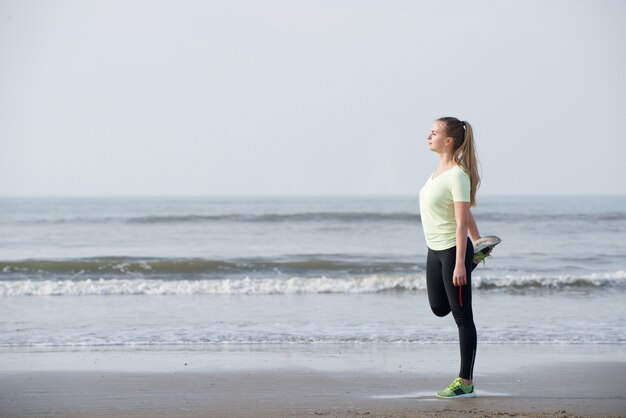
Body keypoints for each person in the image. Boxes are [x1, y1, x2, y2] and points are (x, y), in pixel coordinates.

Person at [418, 116, 483, 398]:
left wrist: (461, 262)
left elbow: (460, 222)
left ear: (449, 141)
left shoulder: (458, 174)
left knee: (462, 317)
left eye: (433, 133)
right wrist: (479, 242)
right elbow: (465, 215)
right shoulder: (436, 174)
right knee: (438, 308)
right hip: (434, 251)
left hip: (452, 251)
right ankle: (475, 258)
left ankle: (465, 381)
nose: (427, 136)